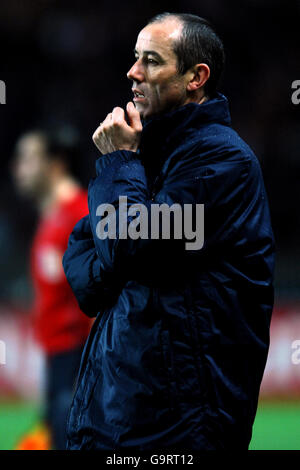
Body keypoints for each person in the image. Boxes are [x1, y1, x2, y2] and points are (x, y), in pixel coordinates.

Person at [62, 13, 275, 450]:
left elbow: (126, 248)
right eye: (135, 58)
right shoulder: (150, 160)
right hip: (120, 418)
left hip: (180, 428)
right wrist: (119, 245)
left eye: (152, 61)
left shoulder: (222, 161)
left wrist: (119, 163)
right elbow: (82, 260)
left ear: (196, 77)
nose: (133, 72)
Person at [12, 129, 91, 449]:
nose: (18, 167)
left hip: (77, 360)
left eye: (28, 158)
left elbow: (104, 293)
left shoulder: (80, 214)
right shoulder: (52, 216)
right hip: (58, 359)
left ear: (56, 165)